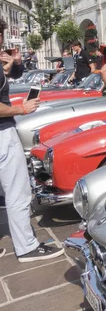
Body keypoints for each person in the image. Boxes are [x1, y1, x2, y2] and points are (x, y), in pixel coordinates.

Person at [0, 18, 65, 262]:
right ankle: (27, 247)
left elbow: (10, 75)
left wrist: (11, 65)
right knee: (17, 191)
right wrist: (22, 109)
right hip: (2, 133)